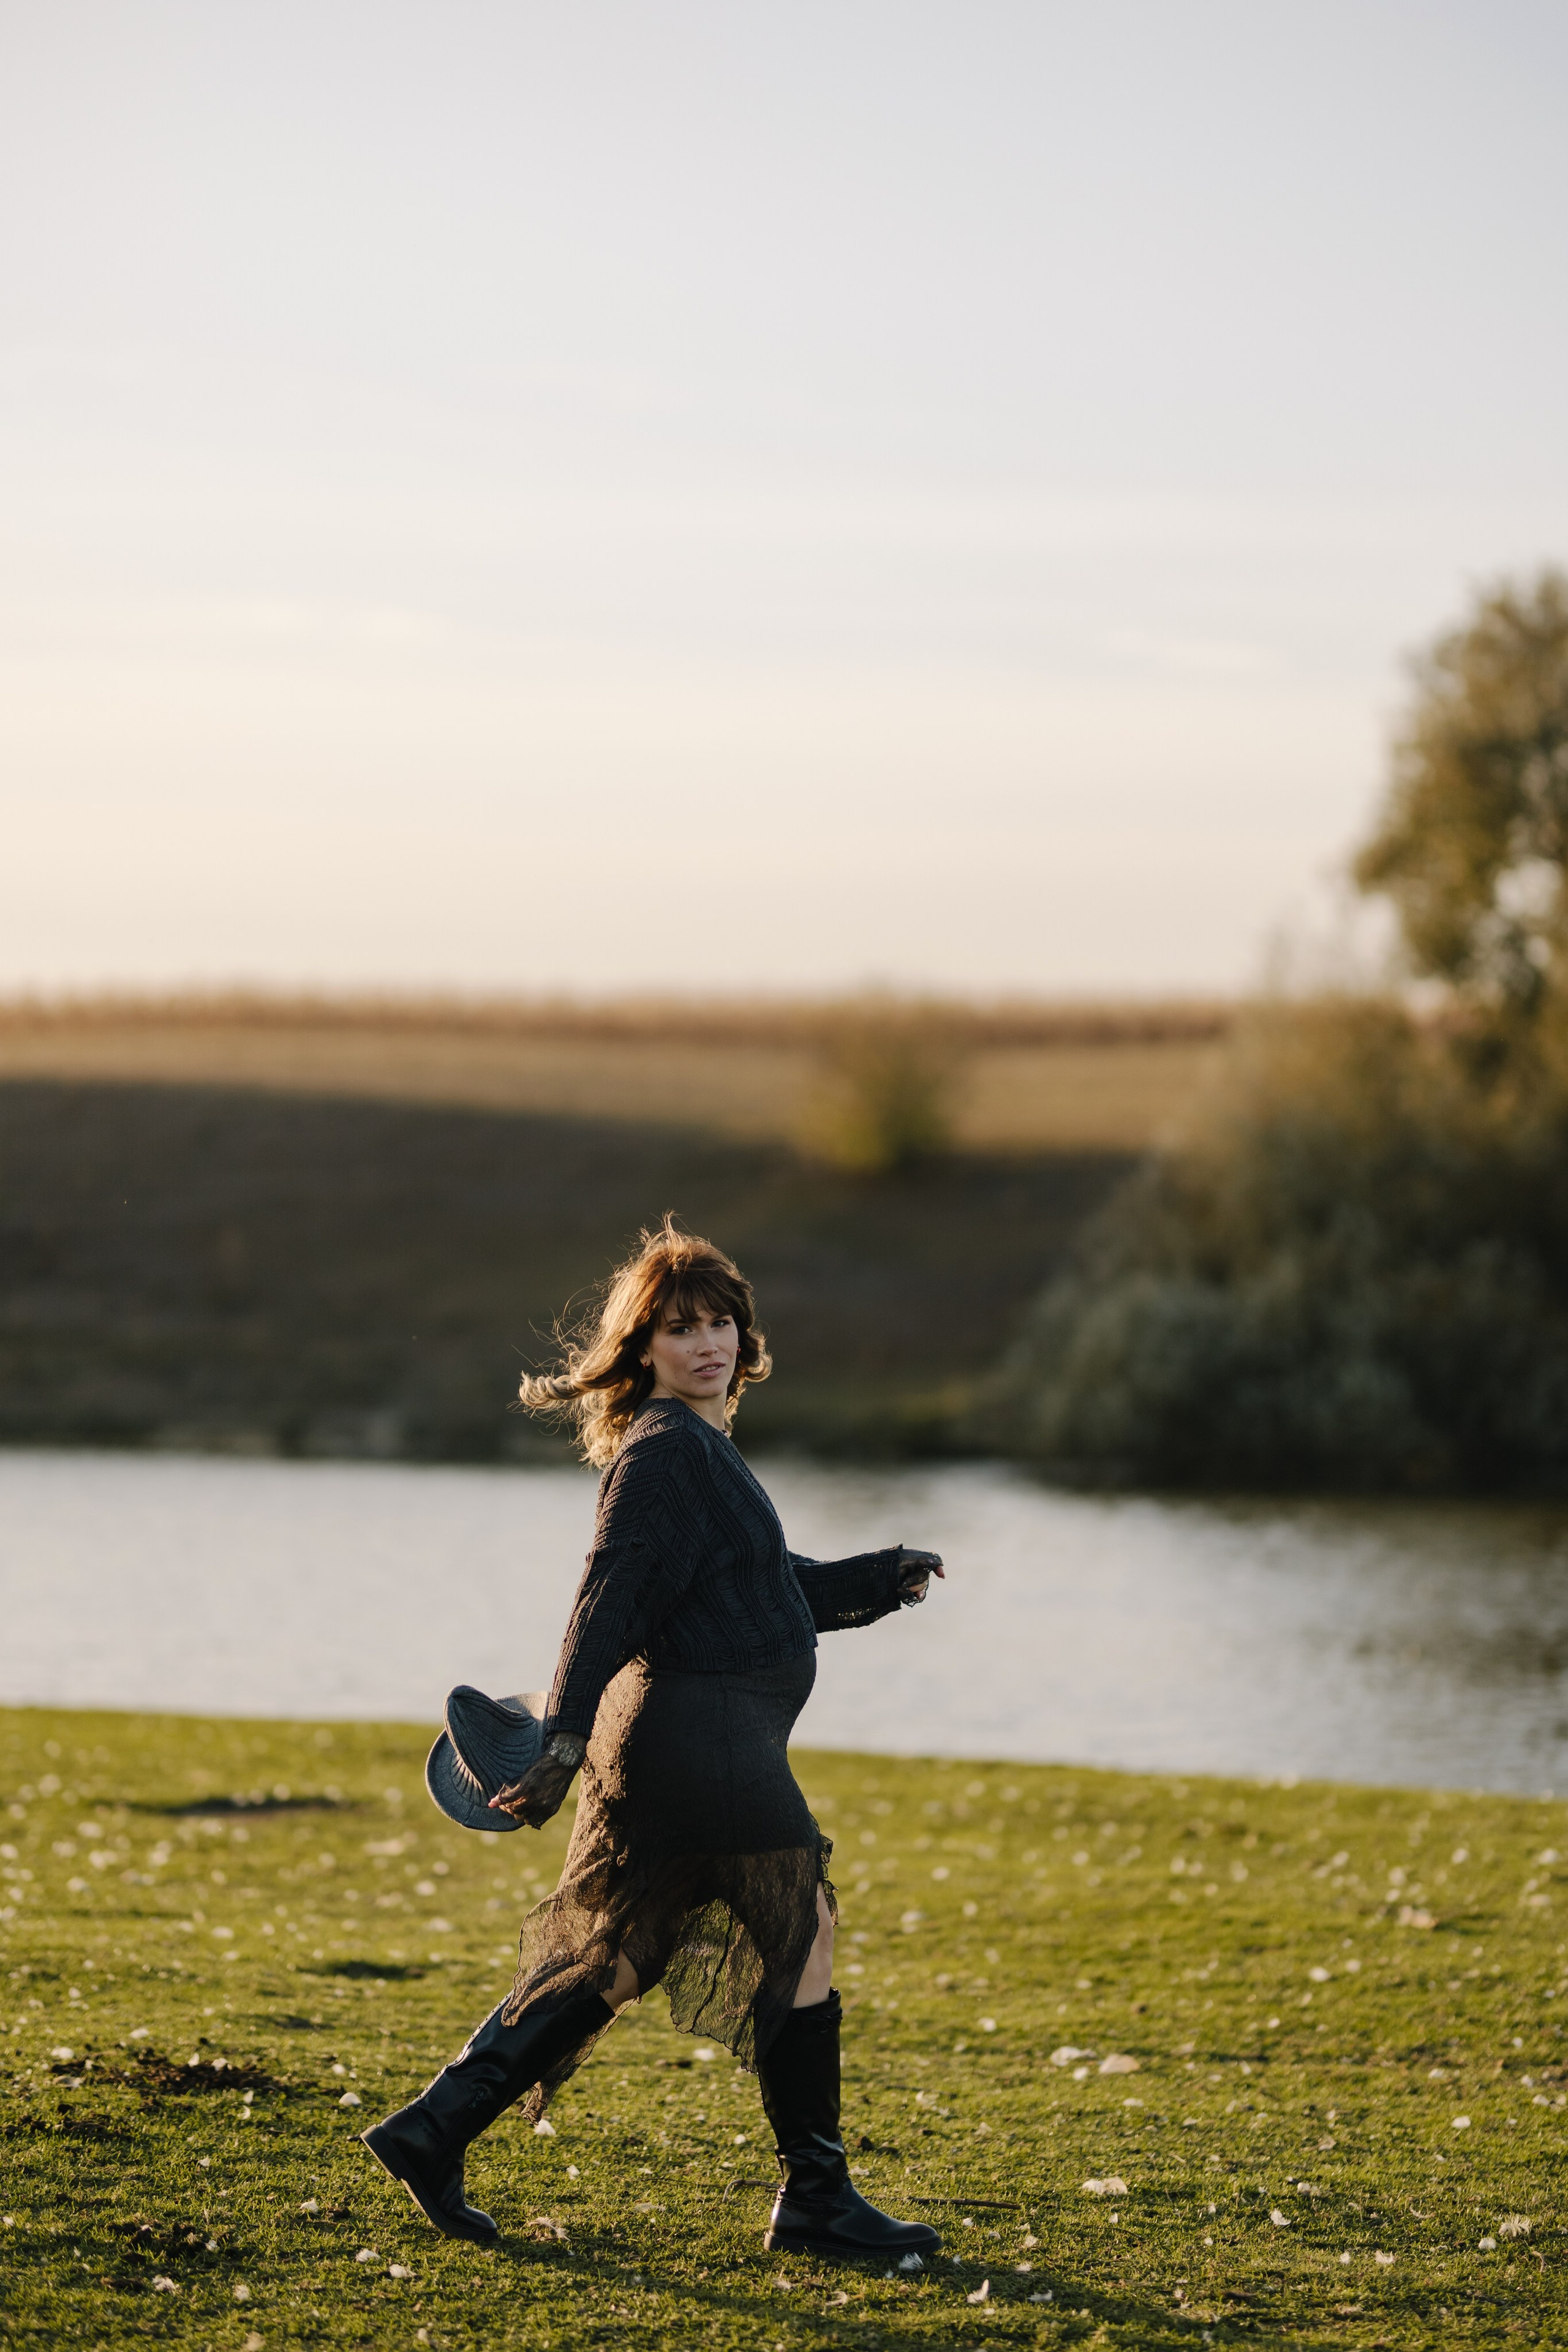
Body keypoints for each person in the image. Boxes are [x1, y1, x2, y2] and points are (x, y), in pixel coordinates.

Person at [363, 1218, 944, 2261]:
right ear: (644, 1351)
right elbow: (608, 1598)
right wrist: (560, 1734)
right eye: (681, 1328)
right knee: (801, 1923)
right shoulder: (670, 1453)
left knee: (623, 1956)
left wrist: (878, 1579)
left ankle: (433, 2127)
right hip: (702, 1746)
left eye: (723, 1321)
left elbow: (766, 1590)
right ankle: (815, 2196)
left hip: (682, 1745)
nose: (709, 1342)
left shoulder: (695, 1451)